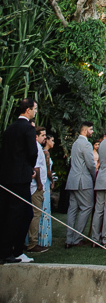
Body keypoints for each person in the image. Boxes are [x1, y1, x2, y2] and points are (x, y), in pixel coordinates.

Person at [0, 98, 38, 264]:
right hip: (21, 178)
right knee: (22, 214)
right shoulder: (27, 129)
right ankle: (13, 250)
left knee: (9, 213)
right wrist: (30, 169)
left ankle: (11, 249)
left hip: (7, 177)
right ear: (28, 110)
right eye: (35, 109)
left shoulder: (9, 129)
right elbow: (32, 153)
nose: (36, 112)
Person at [65, 120, 96, 248]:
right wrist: (94, 177)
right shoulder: (86, 144)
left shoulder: (76, 143)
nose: (92, 132)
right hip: (83, 180)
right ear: (85, 130)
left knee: (72, 209)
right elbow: (90, 164)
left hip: (72, 179)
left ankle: (69, 239)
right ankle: (77, 238)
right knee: (87, 206)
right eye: (91, 129)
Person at [26, 125, 48, 252]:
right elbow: (37, 167)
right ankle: (32, 243)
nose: (45, 138)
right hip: (35, 186)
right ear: (36, 136)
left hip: (34, 185)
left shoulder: (36, 147)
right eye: (43, 135)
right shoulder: (36, 147)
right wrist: (39, 184)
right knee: (36, 213)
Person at [39, 131, 55, 249]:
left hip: (44, 181)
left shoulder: (43, 152)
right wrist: (52, 181)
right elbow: (48, 170)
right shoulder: (46, 154)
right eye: (52, 140)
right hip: (45, 182)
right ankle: (43, 240)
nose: (53, 142)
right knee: (44, 208)